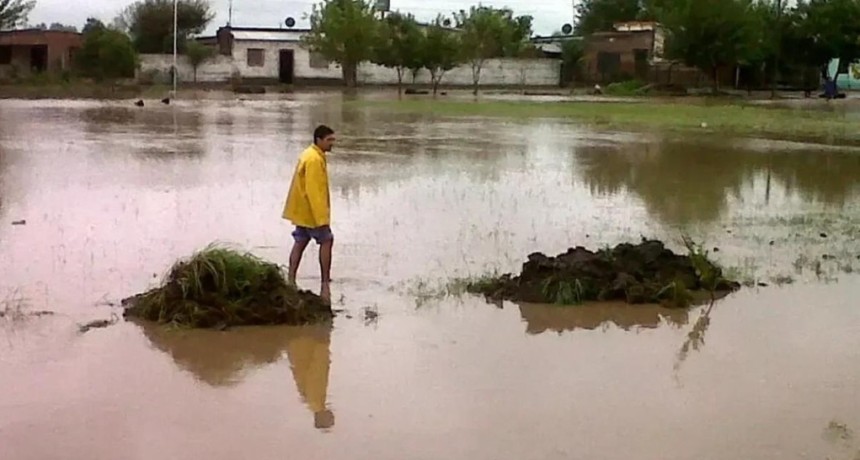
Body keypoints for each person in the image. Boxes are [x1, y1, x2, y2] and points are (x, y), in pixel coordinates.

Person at [283, 125, 336, 303]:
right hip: (312, 213)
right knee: (327, 240)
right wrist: (322, 219)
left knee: (300, 241)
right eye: (329, 140)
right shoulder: (314, 159)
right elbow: (315, 191)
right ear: (319, 140)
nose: (332, 143)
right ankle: (325, 281)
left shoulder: (310, 154)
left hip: (302, 211)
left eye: (332, 140)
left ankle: (290, 278)